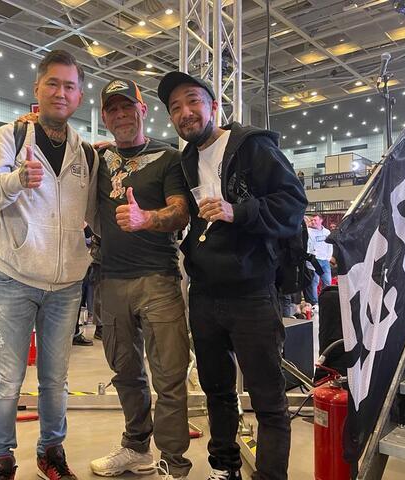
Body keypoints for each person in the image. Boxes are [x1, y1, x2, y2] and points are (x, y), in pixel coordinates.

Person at [158, 71, 307, 480]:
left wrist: (237, 211)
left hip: (252, 293)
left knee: (268, 398)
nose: (185, 113)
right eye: (175, 108)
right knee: (217, 392)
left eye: (192, 101)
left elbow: (293, 203)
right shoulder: (186, 159)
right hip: (205, 294)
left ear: (213, 105)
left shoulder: (252, 146)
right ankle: (224, 467)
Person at [0, 49, 97, 480]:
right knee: (7, 377)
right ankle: (0, 460)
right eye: (53, 83)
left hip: (66, 285)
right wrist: (15, 181)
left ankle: (51, 452)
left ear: (79, 97)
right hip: (14, 278)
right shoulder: (10, 137)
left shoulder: (87, 155)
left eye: (70, 86)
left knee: (55, 379)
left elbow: (95, 215)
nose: (61, 92)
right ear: (37, 89)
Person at [90, 79, 192, 480]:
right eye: (112, 109)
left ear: (143, 109)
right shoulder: (98, 158)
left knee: (169, 376)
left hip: (158, 280)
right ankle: (136, 447)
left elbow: (181, 212)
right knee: (125, 372)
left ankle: (173, 462)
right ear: (104, 116)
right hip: (112, 280)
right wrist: (30, 121)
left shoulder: (168, 158)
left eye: (127, 107)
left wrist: (146, 218)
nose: (121, 115)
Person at [306, 213, 333, 305]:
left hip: (325, 260)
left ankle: (326, 301)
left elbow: (330, 245)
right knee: (315, 282)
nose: (313, 222)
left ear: (321, 220)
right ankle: (315, 303)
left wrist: (328, 257)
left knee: (327, 282)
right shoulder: (309, 232)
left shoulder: (327, 232)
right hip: (315, 261)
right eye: (312, 220)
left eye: (315, 220)